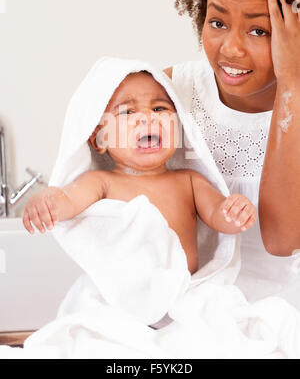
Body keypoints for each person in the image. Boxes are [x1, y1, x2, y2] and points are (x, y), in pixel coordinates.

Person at [164, 0, 300, 304]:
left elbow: (281, 238)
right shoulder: (171, 92)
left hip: (282, 318)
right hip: (191, 313)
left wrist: (292, 82)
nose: (231, 49)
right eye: (217, 22)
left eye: (260, 30)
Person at [22, 70, 256, 274]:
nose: (147, 117)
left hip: (184, 296)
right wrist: (46, 201)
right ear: (99, 139)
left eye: (159, 108)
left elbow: (218, 216)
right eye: (127, 112)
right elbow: (67, 200)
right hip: (128, 303)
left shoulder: (190, 181)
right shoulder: (101, 182)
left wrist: (234, 212)